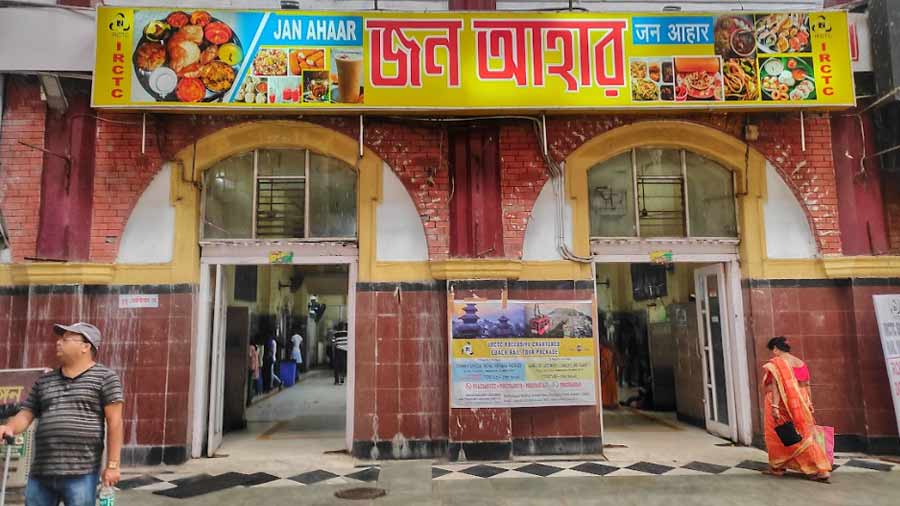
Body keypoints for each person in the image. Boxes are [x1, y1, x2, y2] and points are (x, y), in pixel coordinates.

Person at [0, 322, 124, 506]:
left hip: (81, 473)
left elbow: (115, 423)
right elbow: (26, 414)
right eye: (59, 338)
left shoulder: (105, 378)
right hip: (41, 471)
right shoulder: (44, 381)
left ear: (85, 346)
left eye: (66, 339)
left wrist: (113, 465)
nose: (58, 342)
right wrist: (9, 427)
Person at [762, 336, 831, 482]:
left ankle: (780, 467)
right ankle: (819, 467)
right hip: (800, 401)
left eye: (772, 350)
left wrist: (775, 407)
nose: (773, 353)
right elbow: (806, 385)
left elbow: (776, 388)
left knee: (777, 435)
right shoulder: (800, 363)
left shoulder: (777, 363)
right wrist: (809, 404)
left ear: (776, 348)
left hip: (782, 403)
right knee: (803, 434)